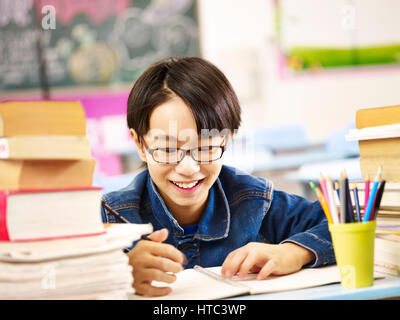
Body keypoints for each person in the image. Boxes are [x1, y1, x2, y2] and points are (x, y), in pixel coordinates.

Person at [101, 56, 335, 297]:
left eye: (205, 147)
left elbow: (345, 219)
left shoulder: (254, 202)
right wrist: (116, 274)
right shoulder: (112, 217)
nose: (188, 167)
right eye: (168, 149)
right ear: (140, 143)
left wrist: (293, 252)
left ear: (227, 139)